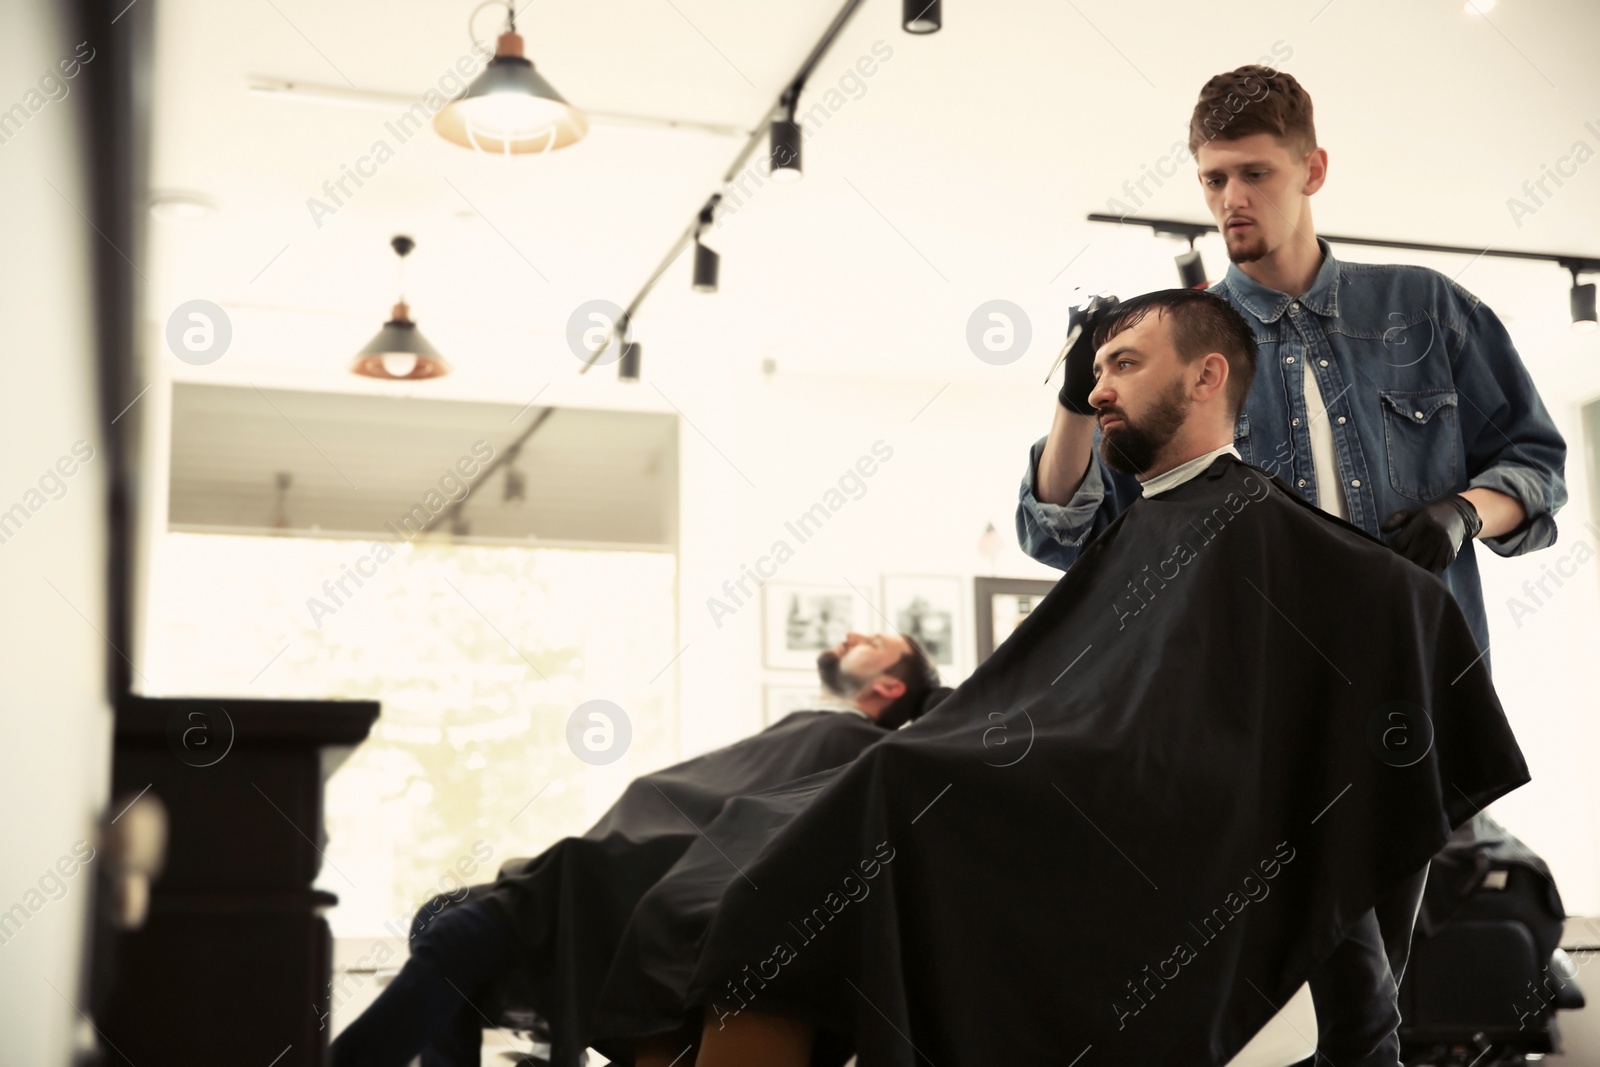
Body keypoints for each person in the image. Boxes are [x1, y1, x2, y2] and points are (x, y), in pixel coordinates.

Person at [588, 288, 1529, 1067]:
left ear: (1206, 377)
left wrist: (1366, 1033)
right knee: (768, 835)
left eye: (1125, 363)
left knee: (877, 796)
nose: (1099, 384)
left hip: (1144, 851)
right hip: (1067, 809)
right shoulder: (1148, 526)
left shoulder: (1283, 540)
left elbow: (1346, 783)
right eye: (1098, 364)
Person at [1021, 65, 1567, 663]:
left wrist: (1464, 513)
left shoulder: (1428, 311)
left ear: (1313, 170)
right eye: (1214, 179)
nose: (1231, 199)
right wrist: (1074, 402)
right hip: (1250, 697)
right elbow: (1065, 536)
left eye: (1255, 174)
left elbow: (1534, 464)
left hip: (1421, 672)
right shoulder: (1177, 341)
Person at [330, 631, 947, 1067]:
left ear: (890, 686)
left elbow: (751, 837)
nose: (849, 634)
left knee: (455, 935)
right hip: (613, 861)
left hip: (647, 881)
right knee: (438, 917)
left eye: (874, 642)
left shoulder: (850, 743)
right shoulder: (810, 728)